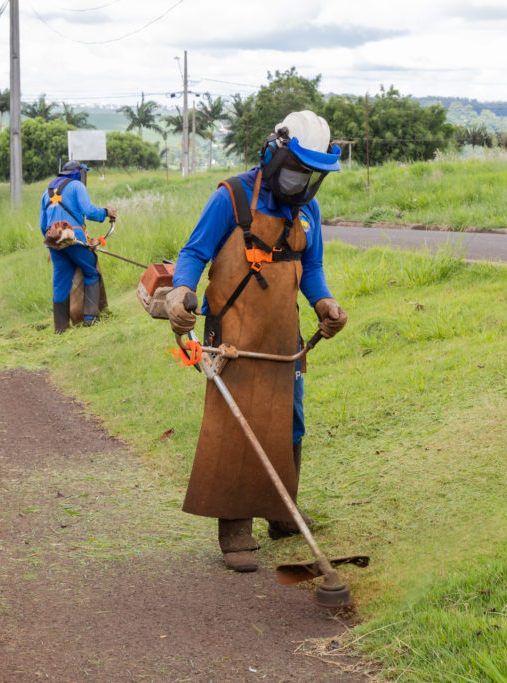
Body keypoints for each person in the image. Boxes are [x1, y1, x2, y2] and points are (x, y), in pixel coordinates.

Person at [166, 111, 348, 572]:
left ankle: (282, 511)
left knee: (290, 422)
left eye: (312, 176)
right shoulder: (231, 197)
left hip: (283, 338)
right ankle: (235, 528)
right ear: (273, 153)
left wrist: (324, 304)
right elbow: (194, 252)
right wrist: (181, 292)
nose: (303, 184)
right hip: (234, 335)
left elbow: (311, 268)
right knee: (235, 424)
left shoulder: (308, 209)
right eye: (296, 171)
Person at [40, 161, 116, 332]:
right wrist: (106, 212)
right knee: (91, 271)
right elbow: (88, 211)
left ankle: (60, 327)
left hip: (54, 243)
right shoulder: (76, 186)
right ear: (79, 173)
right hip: (74, 239)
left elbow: (42, 224)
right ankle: (90, 319)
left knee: (60, 281)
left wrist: (53, 243)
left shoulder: (47, 192)